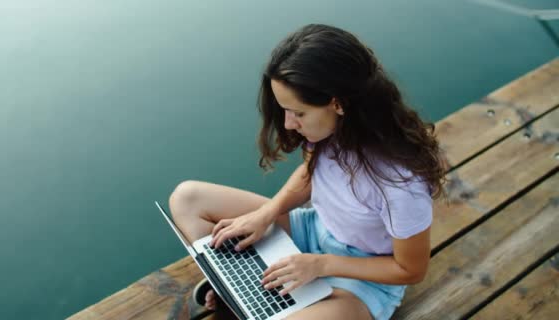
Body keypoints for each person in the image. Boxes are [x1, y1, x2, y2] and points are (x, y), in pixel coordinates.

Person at [169, 23, 445, 320]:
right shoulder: (330, 132)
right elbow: (310, 174)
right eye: (285, 110)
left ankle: (256, 291)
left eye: (298, 113)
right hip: (314, 231)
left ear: (338, 103)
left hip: (364, 281)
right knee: (188, 199)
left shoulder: (401, 186)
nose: (288, 124)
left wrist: (321, 265)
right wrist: (267, 213)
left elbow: (410, 269)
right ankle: (241, 283)